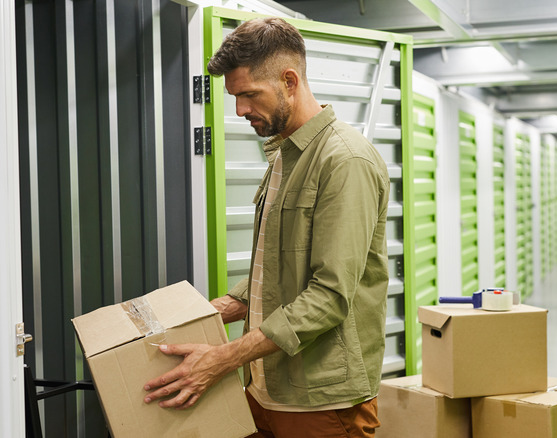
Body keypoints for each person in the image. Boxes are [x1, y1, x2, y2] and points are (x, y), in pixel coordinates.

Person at [143, 17, 390, 437]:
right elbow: (276, 270)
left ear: (290, 80)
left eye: (248, 95)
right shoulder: (282, 158)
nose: (239, 110)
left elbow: (329, 296)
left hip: (320, 400)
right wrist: (213, 312)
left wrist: (223, 358)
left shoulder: (344, 161)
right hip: (264, 388)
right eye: (235, 97)